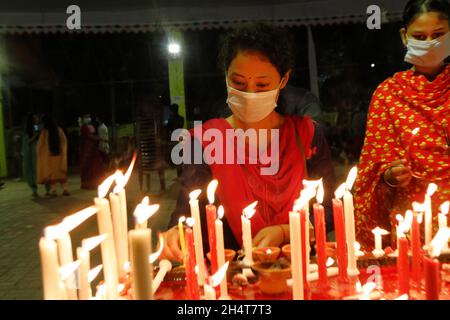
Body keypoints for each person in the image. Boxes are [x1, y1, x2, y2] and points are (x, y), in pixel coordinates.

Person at [159, 23, 336, 262]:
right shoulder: (205, 141)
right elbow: (190, 208)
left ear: (283, 80)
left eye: (262, 85)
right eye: (239, 83)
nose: (250, 94)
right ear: (225, 77)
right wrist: (177, 233)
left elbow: (328, 208)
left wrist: (285, 231)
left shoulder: (307, 135)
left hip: (302, 268)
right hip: (232, 273)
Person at [354, 0, 450, 248]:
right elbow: (371, 174)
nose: (429, 43)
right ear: (404, 37)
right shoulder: (389, 94)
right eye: (420, 36)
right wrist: (390, 175)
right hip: (411, 225)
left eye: (438, 35)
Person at [36, 114, 69, 196]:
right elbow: (64, 142)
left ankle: (54, 191)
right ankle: (65, 189)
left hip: (49, 157)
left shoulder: (45, 132)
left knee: (52, 175)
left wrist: (39, 153)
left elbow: (40, 145)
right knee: (61, 174)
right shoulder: (59, 130)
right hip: (59, 155)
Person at [79, 113, 105, 189]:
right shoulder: (84, 127)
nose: (88, 118)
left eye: (89, 117)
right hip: (87, 149)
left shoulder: (89, 126)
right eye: (86, 117)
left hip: (91, 149)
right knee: (89, 166)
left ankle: (93, 183)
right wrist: (98, 138)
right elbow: (90, 136)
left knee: (94, 167)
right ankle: (89, 184)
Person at [22, 113, 41, 198]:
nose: (37, 119)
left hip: (35, 149)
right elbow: (28, 141)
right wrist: (35, 135)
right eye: (35, 118)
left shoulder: (37, 126)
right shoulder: (28, 130)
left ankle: (44, 189)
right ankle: (34, 189)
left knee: (37, 168)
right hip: (30, 150)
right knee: (30, 169)